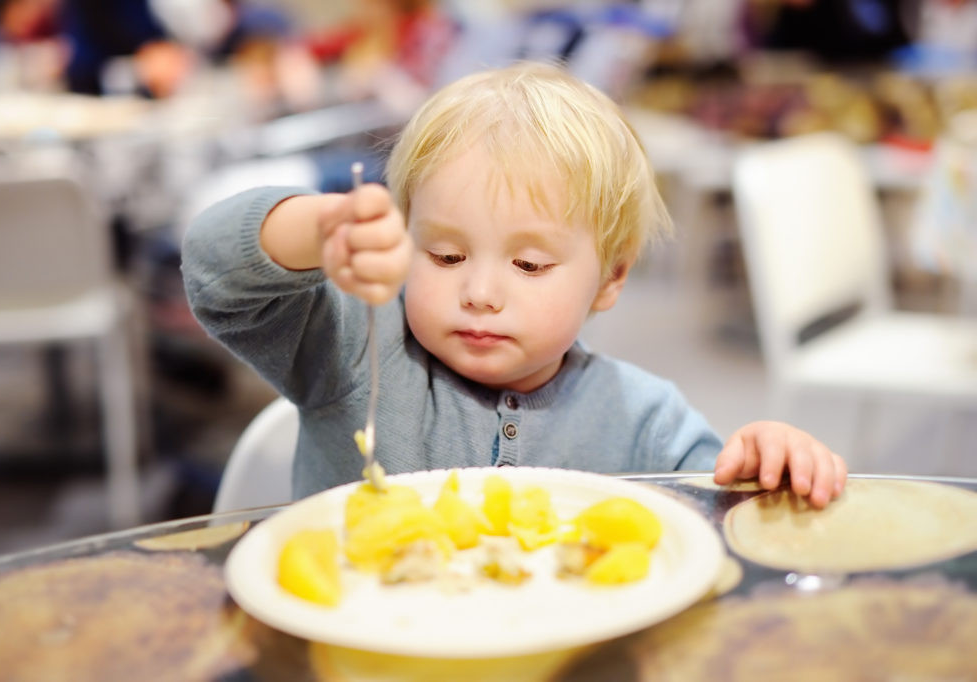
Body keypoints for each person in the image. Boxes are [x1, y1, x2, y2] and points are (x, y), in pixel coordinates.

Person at [182, 61, 847, 506]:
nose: (480, 292)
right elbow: (215, 271)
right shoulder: (351, 349)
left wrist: (767, 461)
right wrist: (316, 231)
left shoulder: (647, 420)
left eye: (528, 266)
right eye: (443, 254)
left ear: (611, 277)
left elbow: (715, 523)